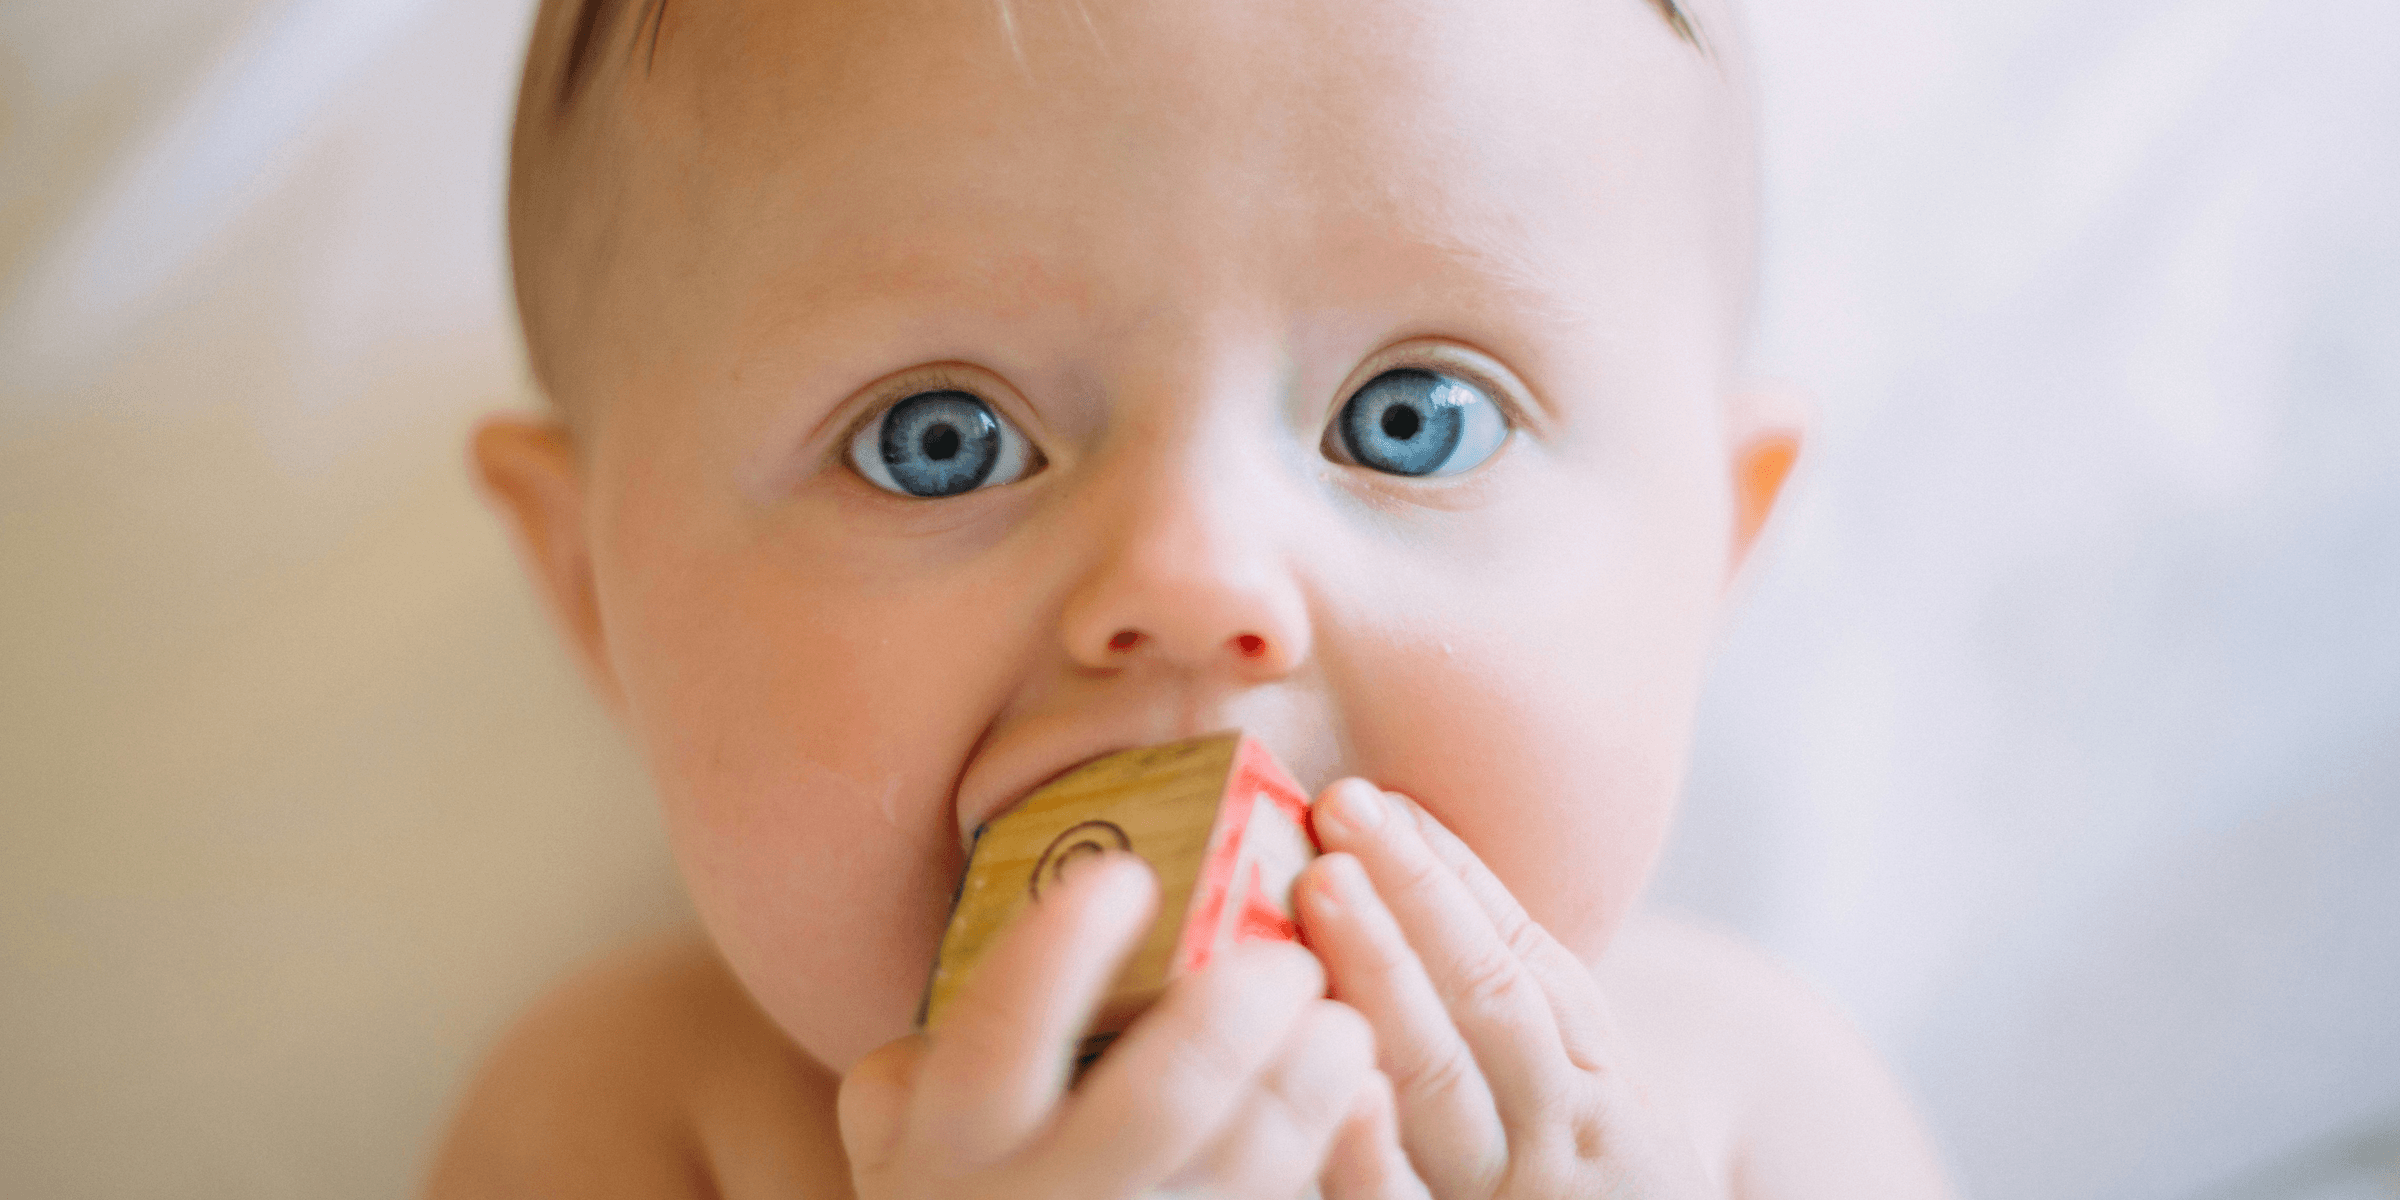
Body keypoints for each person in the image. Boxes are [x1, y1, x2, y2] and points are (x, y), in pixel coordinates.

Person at [427, 0, 1957, 1194]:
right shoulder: (626, 1130)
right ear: (593, 593)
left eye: (1412, 417)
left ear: (1710, 564)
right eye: (938, 443)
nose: (1194, 577)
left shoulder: (1747, 1113)